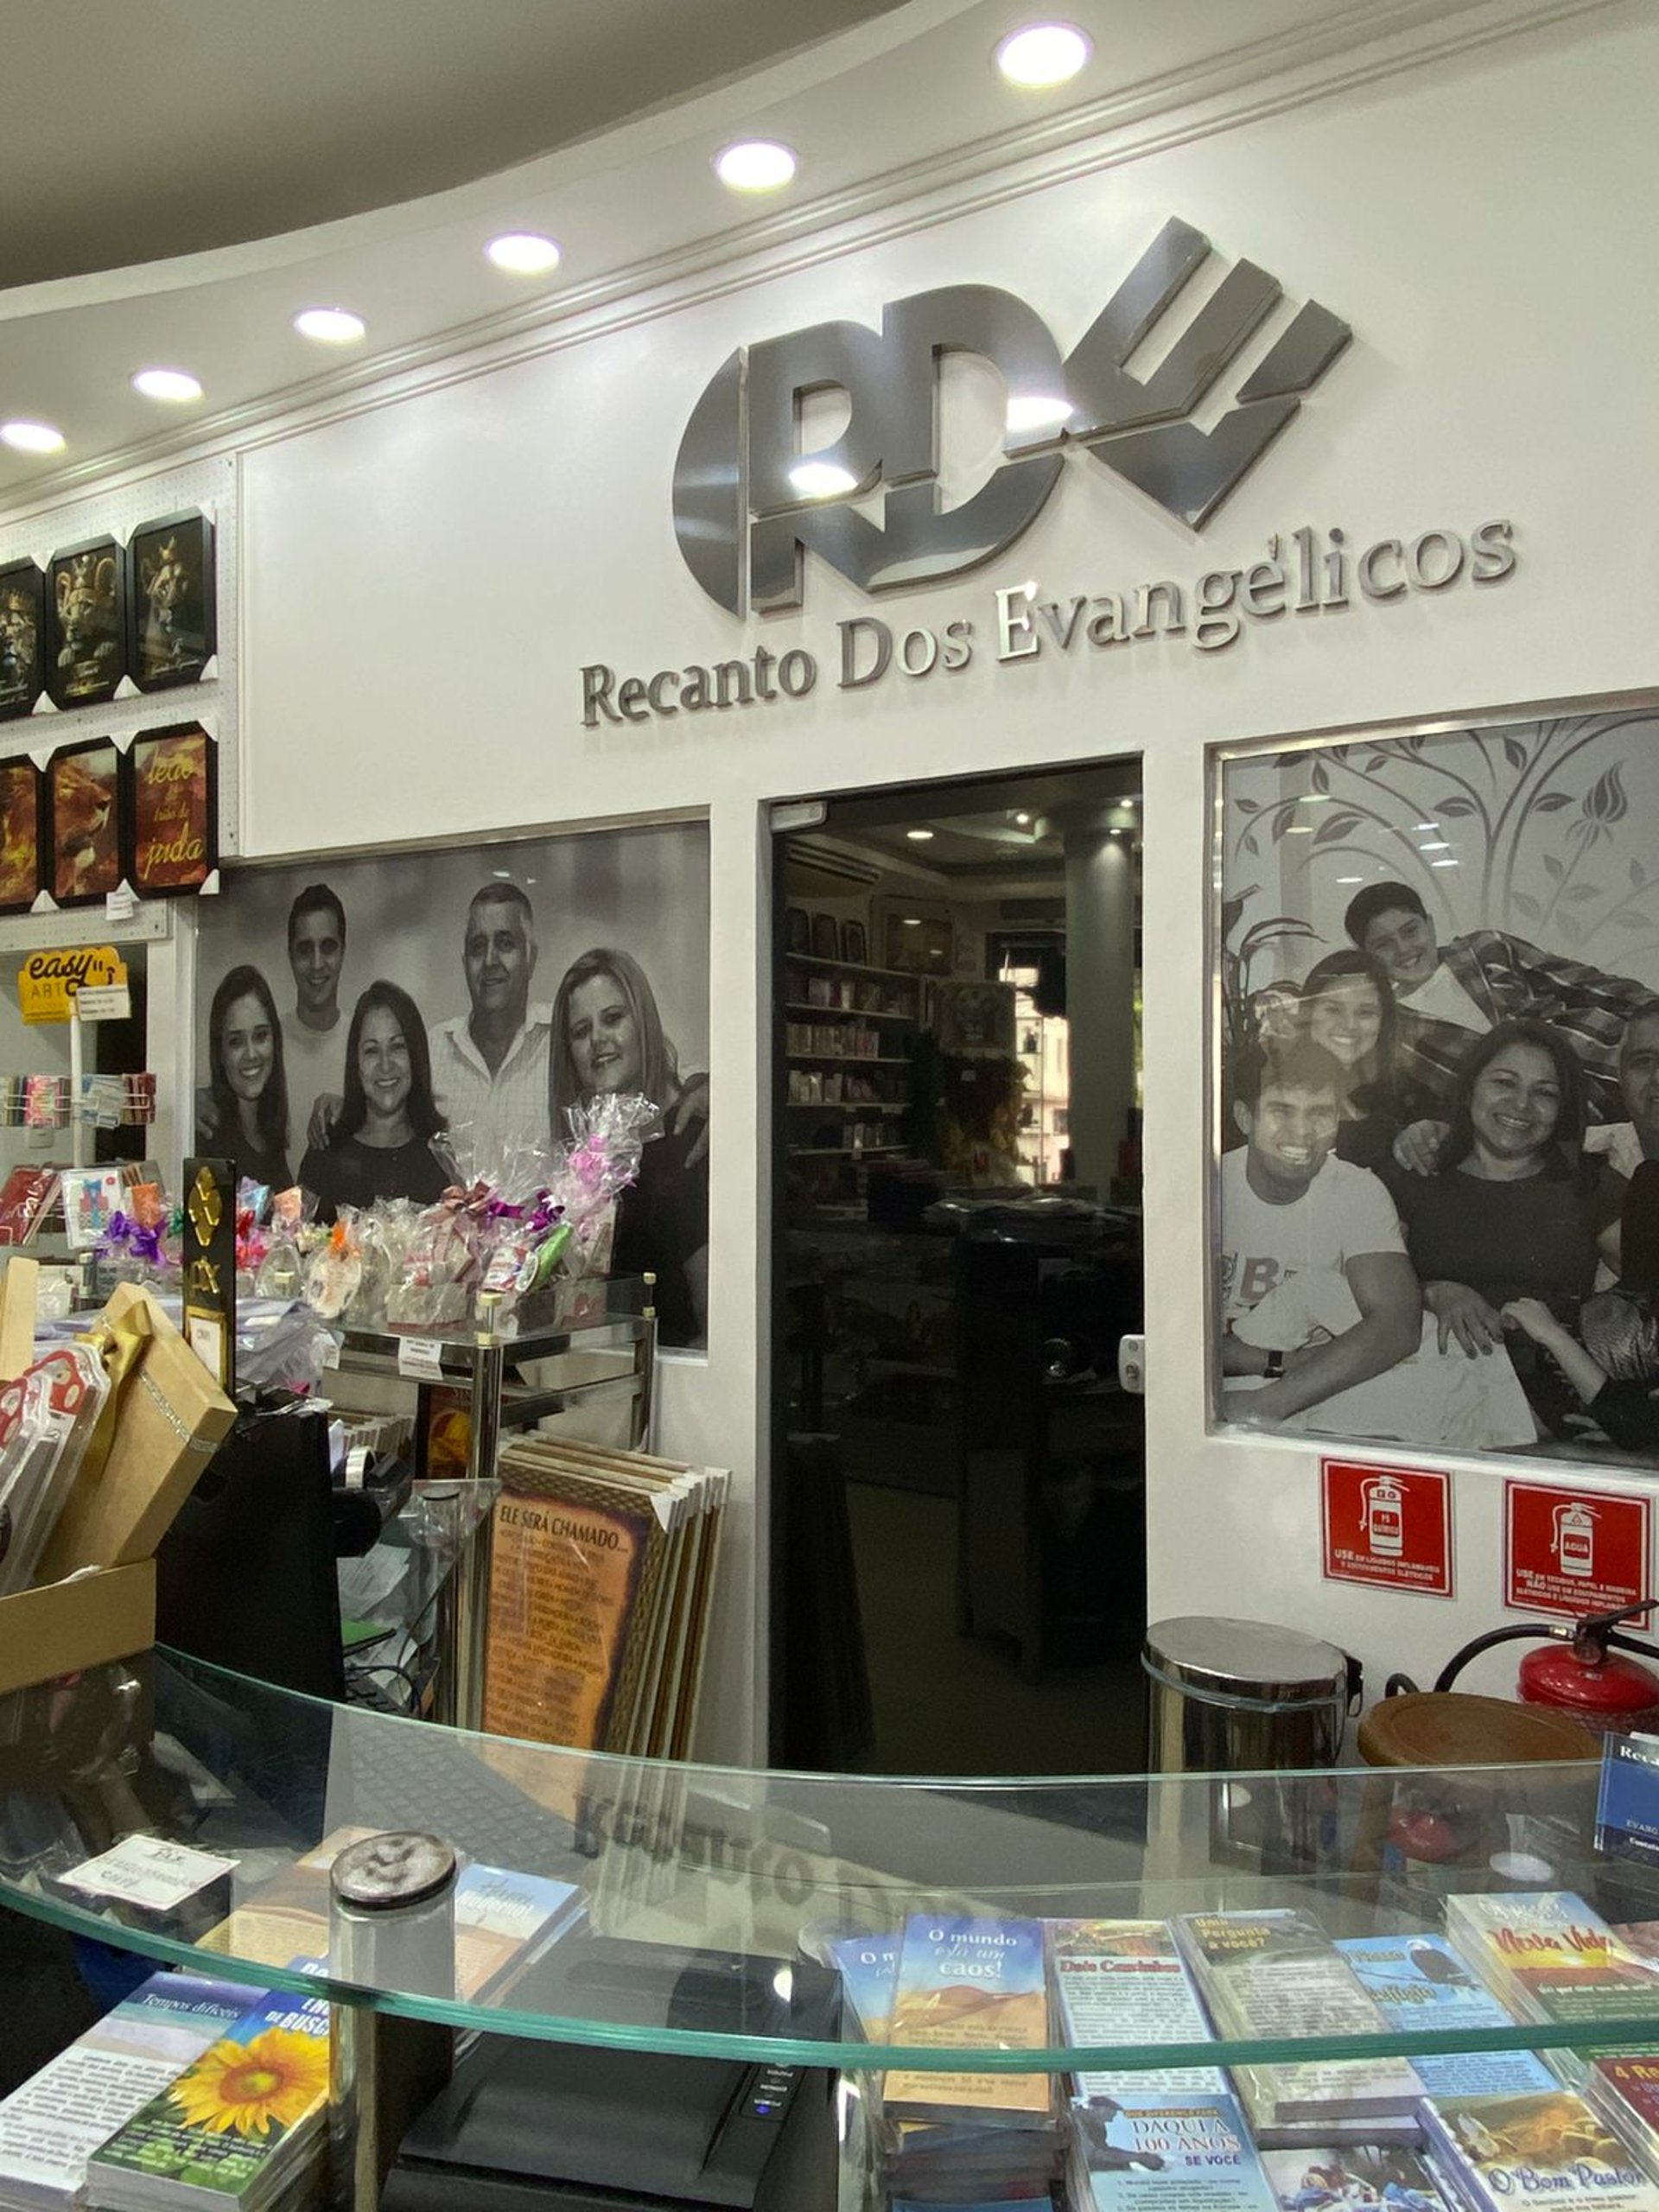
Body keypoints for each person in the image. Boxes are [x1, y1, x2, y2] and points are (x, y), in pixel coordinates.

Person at [1380, 1020, 1625, 1431]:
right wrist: (1433, 1292)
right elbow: (1354, 1292)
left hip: (1550, 1409)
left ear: (1563, 1108)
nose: (1521, 1105)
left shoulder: (1589, 1184)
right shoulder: (1414, 1174)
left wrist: (1629, 1413)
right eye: (1504, 1083)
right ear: (1471, 1086)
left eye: (1545, 1092)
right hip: (1422, 1397)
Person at [1219, 1037, 1421, 1426]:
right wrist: (1286, 1365)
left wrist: (1266, 1404)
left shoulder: (1355, 1189)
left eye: (1320, 1113)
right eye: (1282, 1110)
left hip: (1322, 1390)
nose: (1303, 1132)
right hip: (1238, 1387)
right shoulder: (1206, 1187)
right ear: (1245, 1118)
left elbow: (1397, 1326)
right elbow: (1179, 1340)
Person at [1343, 880, 1654, 1126]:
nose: (1404, 949)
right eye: (1384, 945)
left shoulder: (1486, 948)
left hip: (1616, 1055)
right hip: (1574, 1123)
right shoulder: (1393, 1032)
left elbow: (1586, 983)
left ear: (1430, 924)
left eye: (1410, 931)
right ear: (1368, 956)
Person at [550, 946, 709, 1348]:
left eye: (613, 1019)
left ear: (643, 1023)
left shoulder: (689, 1140)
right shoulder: (583, 1166)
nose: (598, 1040)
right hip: (599, 1383)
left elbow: (716, 1323)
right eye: (581, 1031)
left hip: (670, 1391)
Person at [299, 981, 452, 1220]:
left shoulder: (441, 1157)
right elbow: (294, 1243)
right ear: (356, 1064)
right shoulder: (326, 1149)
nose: (385, 1065)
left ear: (416, 1056)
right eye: (371, 1050)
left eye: (398, 1047)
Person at [1297, 950, 1439, 1170]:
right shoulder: (1270, 1091)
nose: (1350, 1025)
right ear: (1308, 1014)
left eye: (1365, 1013)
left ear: (1383, 1022)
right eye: (1334, 1009)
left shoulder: (1410, 1097)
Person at [203, 965, 292, 1189]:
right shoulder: (205, 1136)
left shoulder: (269, 1132)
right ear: (220, 1052)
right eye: (236, 1041)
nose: (251, 1054)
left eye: (261, 1036)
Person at [283, 883, 348, 1148]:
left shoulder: (368, 1045)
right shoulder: (264, 1045)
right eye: (305, 949)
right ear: (290, 955)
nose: (317, 964)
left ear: (343, 951)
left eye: (328, 947)